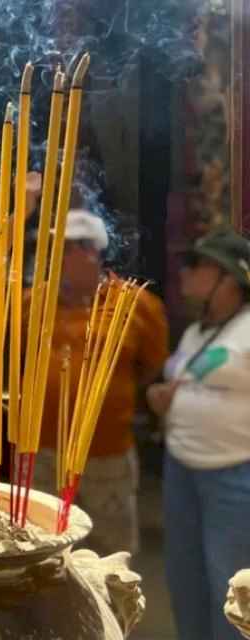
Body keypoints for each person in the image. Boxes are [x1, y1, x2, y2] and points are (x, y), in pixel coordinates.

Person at [29, 210, 169, 555]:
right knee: (43, 547)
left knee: (111, 554)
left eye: (64, 248)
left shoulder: (136, 305)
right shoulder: (33, 302)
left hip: (106, 452)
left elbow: (152, 367)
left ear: (92, 251)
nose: (54, 258)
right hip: (44, 450)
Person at [147, 228, 250, 640]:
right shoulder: (196, 333)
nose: (185, 273)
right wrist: (161, 397)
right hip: (182, 469)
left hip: (233, 474)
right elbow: (183, 382)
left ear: (232, 278)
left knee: (229, 586)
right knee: (184, 577)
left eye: (198, 266)